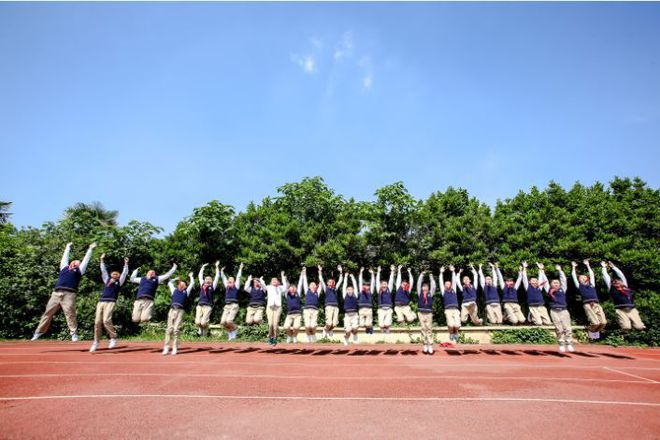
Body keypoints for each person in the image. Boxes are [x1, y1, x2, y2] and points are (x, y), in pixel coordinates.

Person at [32, 242, 97, 342]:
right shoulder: (64, 268)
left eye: (79, 264)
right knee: (48, 312)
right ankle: (38, 332)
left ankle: (74, 334)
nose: (77, 264)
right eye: (76, 262)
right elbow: (64, 257)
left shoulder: (79, 271)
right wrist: (68, 247)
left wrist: (90, 249)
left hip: (69, 294)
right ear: (72, 263)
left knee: (70, 314)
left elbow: (86, 260)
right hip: (56, 293)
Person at [89, 254, 129, 352]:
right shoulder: (106, 279)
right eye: (113, 273)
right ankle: (96, 342)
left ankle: (113, 337)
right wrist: (101, 260)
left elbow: (124, 273)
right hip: (101, 302)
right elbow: (103, 270)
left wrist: (126, 264)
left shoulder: (119, 282)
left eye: (117, 274)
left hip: (111, 302)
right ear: (111, 274)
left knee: (106, 320)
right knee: (97, 322)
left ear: (118, 276)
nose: (115, 274)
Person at [601, 261, 646, 331]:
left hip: (632, 309)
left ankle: (635, 325)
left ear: (621, 282)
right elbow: (605, 276)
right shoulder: (611, 288)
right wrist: (604, 267)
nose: (616, 282)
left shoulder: (625, 286)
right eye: (614, 282)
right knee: (626, 327)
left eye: (618, 281)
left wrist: (613, 267)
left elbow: (621, 275)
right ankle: (621, 325)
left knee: (639, 327)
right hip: (620, 310)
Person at [541, 265, 574, 352]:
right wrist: (542, 271)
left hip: (563, 310)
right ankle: (561, 344)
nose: (556, 284)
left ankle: (569, 343)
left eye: (557, 283)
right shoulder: (548, 289)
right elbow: (545, 281)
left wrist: (560, 271)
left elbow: (563, 280)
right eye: (554, 283)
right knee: (559, 328)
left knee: (567, 328)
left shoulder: (563, 289)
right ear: (551, 284)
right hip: (554, 311)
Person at [571, 260, 606, 340]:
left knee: (603, 322)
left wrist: (588, 265)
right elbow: (573, 276)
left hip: (596, 304)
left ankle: (595, 333)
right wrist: (573, 267)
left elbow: (592, 275)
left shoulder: (592, 284)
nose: (583, 279)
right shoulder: (579, 286)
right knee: (595, 322)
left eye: (584, 277)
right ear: (579, 280)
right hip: (587, 304)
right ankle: (591, 332)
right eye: (581, 278)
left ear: (587, 278)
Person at [163, 273, 195, 356]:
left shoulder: (186, 292)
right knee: (169, 329)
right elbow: (169, 283)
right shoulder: (174, 290)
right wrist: (176, 278)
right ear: (178, 285)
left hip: (180, 311)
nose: (182, 285)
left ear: (185, 287)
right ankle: (166, 348)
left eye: (183, 284)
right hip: (172, 310)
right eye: (180, 284)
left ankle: (175, 348)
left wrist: (191, 277)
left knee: (176, 330)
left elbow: (192, 283)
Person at [220, 263, 243, 340]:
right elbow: (223, 278)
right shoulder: (226, 286)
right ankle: (230, 332)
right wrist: (222, 271)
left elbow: (238, 277)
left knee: (229, 321)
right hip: (227, 306)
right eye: (228, 280)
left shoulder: (236, 286)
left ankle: (234, 329)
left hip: (234, 305)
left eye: (231, 280)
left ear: (234, 281)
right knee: (223, 322)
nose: (229, 280)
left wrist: (240, 269)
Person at [196, 262, 220, 337]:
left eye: (209, 279)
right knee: (197, 322)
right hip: (200, 305)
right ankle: (201, 331)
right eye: (206, 278)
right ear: (204, 280)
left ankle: (204, 335)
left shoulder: (212, 286)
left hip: (208, 306)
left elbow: (217, 276)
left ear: (211, 280)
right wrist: (202, 267)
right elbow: (200, 276)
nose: (207, 280)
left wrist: (216, 267)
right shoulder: (202, 285)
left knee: (203, 322)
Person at [319, 265, 343, 339]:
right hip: (328, 306)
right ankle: (325, 329)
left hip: (336, 307)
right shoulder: (326, 289)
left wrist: (341, 272)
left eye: (333, 281)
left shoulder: (335, 289)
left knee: (335, 323)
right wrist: (320, 271)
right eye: (330, 282)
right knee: (329, 323)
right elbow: (321, 280)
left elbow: (340, 281)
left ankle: (330, 330)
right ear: (328, 283)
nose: (331, 282)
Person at [264, 273, 287, 345]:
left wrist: (283, 277)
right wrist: (261, 280)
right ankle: (270, 337)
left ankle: (275, 338)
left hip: (277, 307)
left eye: (275, 280)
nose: (274, 281)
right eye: (272, 280)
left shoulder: (280, 288)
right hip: (270, 307)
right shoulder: (268, 287)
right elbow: (263, 286)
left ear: (277, 282)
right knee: (270, 324)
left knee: (275, 324)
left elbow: (285, 287)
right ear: (270, 282)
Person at [417, 271, 436, 354]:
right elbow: (418, 283)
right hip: (421, 312)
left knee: (429, 328)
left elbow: (434, 286)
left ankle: (430, 345)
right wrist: (421, 275)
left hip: (429, 312)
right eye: (423, 286)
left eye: (426, 286)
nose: (424, 288)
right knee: (423, 328)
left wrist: (431, 276)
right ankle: (424, 344)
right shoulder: (419, 293)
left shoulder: (430, 293)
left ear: (428, 288)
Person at [440, 266, 461, 342]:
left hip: (455, 309)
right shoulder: (443, 291)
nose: (448, 285)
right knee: (450, 325)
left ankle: (456, 332)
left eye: (449, 284)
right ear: (445, 285)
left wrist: (453, 271)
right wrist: (441, 273)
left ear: (451, 285)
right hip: (448, 310)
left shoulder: (454, 289)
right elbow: (440, 281)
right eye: (446, 284)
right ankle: (451, 333)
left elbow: (454, 280)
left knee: (457, 325)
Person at [283, 269, 305, 344]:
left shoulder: (297, 293)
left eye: (294, 288)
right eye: (291, 288)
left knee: (296, 327)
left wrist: (302, 275)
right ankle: (289, 336)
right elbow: (286, 286)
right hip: (289, 314)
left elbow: (300, 284)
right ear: (289, 289)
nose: (292, 289)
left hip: (297, 314)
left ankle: (295, 336)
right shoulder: (287, 294)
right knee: (286, 327)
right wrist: (285, 279)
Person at [301, 267, 322, 343]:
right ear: (309, 286)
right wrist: (304, 273)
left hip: (315, 310)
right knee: (307, 325)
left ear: (316, 286)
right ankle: (308, 335)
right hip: (307, 310)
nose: (313, 285)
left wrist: (320, 272)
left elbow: (322, 283)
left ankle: (313, 334)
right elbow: (305, 282)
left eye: (314, 285)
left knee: (313, 326)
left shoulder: (317, 292)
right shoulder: (307, 291)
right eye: (311, 285)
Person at [375, 265, 395, 335]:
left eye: (385, 284)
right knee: (381, 324)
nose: (384, 285)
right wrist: (378, 272)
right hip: (381, 309)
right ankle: (382, 330)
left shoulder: (389, 289)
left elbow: (391, 280)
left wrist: (392, 271)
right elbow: (377, 281)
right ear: (380, 285)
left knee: (387, 323)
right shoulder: (379, 290)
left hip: (388, 309)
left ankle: (387, 329)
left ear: (387, 285)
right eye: (382, 284)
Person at [342, 272, 360, 345]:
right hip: (347, 316)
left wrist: (352, 277)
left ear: (353, 291)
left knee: (355, 328)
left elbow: (355, 286)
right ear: (346, 291)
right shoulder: (344, 295)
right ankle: (346, 337)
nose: (349, 291)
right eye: (348, 289)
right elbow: (344, 286)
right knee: (348, 330)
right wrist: (345, 277)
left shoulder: (355, 295)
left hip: (355, 315)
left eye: (351, 289)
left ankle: (355, 335)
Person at [358, 267, 375, 335]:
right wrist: (361, 272)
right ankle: (367, 327)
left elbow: (373, 282)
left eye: (367, 285)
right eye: (364, 285)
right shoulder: (361, 291)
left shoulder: (371, 291)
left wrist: (372, 274)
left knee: (368, 324)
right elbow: (359, 281)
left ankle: (369, 328)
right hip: (361, 309)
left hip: (368, 309)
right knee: (361, 325)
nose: (366, 286)